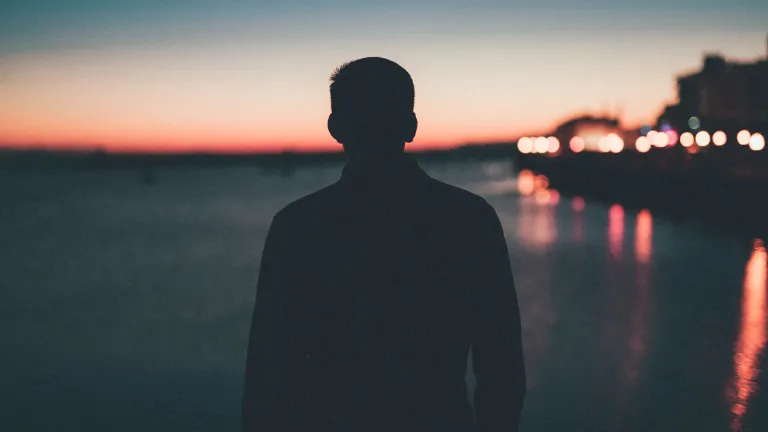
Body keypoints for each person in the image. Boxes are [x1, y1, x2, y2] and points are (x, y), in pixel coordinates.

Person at [242, 57, 525, 432]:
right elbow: (501, 366)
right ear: (410, 127)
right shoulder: (469, 219)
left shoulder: (298, 226)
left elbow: (268, 369)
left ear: (335, 127)